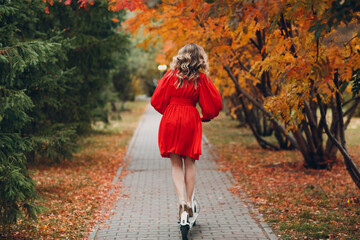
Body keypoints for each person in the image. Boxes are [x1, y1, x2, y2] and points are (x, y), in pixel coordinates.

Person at [150, 43, 223, 220]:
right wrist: (205, 117)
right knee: (190, 163)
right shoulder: (201, 79)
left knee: (176, 164)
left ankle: (181, 201)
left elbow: (156, 100)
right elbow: (214, 104)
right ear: (200, 59)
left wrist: (169, 112)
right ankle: (189, 202)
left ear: (181, 56)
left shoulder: (170, 76)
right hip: (191, 118)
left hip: (171, 118)